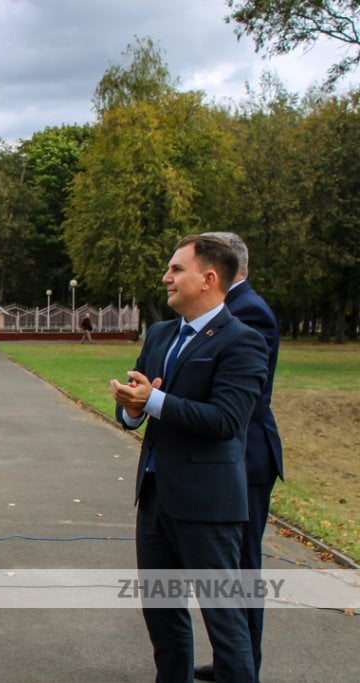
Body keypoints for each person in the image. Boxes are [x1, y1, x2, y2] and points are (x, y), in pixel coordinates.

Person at [109, 234, 268, 682]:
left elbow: (226, 420)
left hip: (208, 505)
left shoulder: (243, 341)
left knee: (224, 621)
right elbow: (138, 407)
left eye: (177, 269)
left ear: (210, 278)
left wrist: (155, 402)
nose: (167, 277)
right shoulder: (160, 334)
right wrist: (132, 408)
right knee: (162, 617)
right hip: (156, 496)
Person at [192, 232, 283, 683]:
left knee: (242, 569)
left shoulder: (247, 312)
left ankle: (245, 669)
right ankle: (232, 662)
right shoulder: (235, 307)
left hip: (245, 456)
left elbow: (243, 394)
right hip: (229, 454)